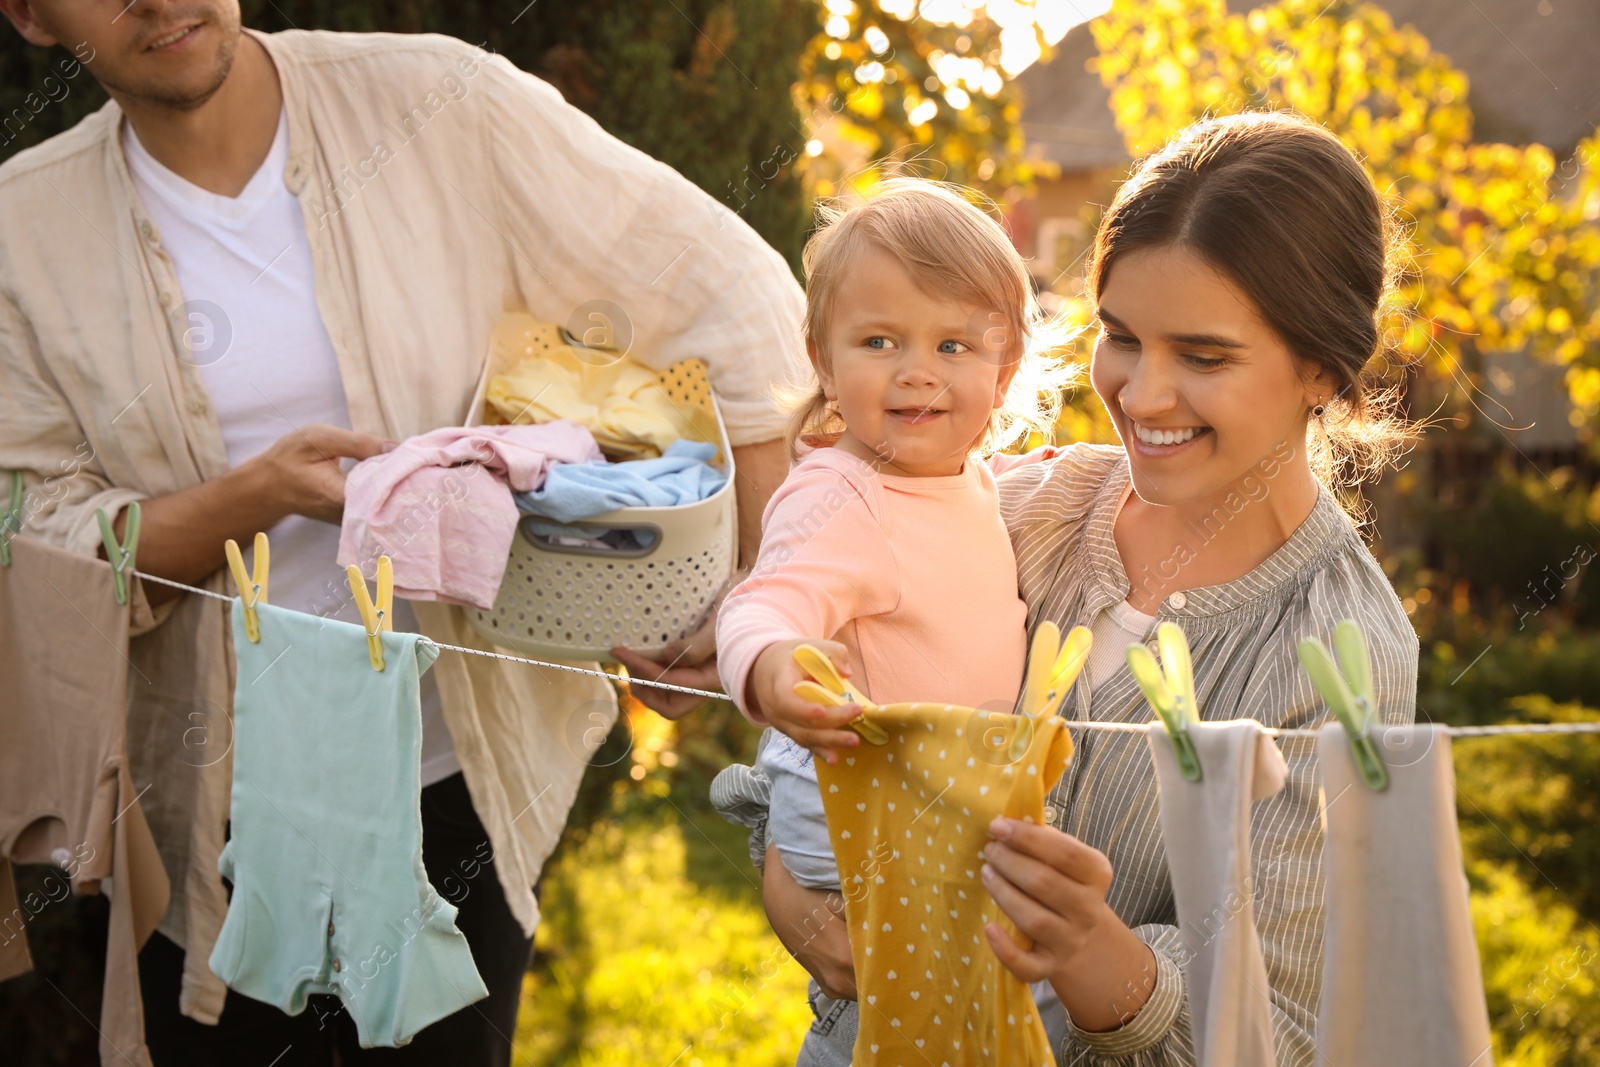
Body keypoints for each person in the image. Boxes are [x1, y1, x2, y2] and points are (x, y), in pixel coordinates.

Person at [0, 2, 803, 1064]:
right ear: (28, 16)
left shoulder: (435, 99)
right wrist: (256, 494)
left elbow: (726, 290)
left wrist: (751, 588)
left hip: (450, 780)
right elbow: (29, 530)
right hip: (205, 816)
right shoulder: (24, 231)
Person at [725, 111, 1421, 1065]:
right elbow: (823, 735)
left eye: (1204, 356)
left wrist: (1100, 959)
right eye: (1122, 337)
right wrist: (792, 891)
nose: (1138, 393)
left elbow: (1288, 1028)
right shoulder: (1019, 507)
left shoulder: (1339, 652)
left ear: (1319, 366)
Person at [712, 179, 1066, 1057]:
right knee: (898, 1024)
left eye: (953, 344)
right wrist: (771, 666)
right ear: (824, 362)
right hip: (862, 823)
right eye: (879, 341)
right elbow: (767, 598)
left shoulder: (966, 480)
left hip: (933, 807)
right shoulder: (846, 495)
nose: (917, 370)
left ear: (1004, 370)